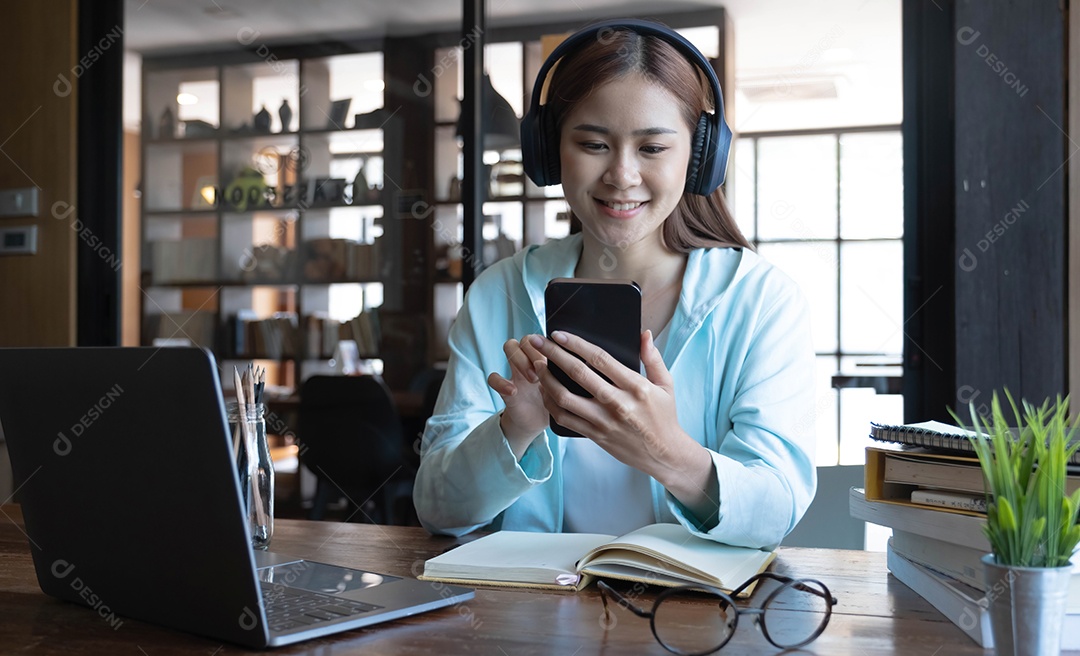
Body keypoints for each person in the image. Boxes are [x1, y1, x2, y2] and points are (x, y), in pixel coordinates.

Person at [413, 19, 816, 550]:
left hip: (694, 602)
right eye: (593, 143)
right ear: (550, 150)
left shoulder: (761, 301)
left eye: (653, 148)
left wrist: (666, 451)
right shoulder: (498, 293)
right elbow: (437, 509)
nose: (622, 175)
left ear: (699, 157)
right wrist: (513, 431)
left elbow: (776, 513)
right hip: (529, 600)